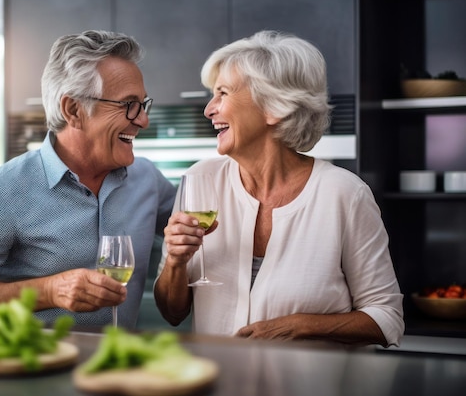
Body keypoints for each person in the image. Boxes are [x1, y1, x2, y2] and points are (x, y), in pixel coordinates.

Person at [154, 30, 404, 347]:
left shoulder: (344, 194)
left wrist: (300, 326)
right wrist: (176, 262)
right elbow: (172, 312)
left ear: (275, 107)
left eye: (223, 94)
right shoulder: (201, 180)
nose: (209, 109)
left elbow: (387, 318)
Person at [0, 30, 176, 328]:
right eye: (128, 105)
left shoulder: (147, 179)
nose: (143, 120)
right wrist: (47, 291)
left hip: (119, 368)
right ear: (73, 110)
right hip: (37, 369)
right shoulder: (3, 191)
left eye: (143, 104)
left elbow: (207, 229)